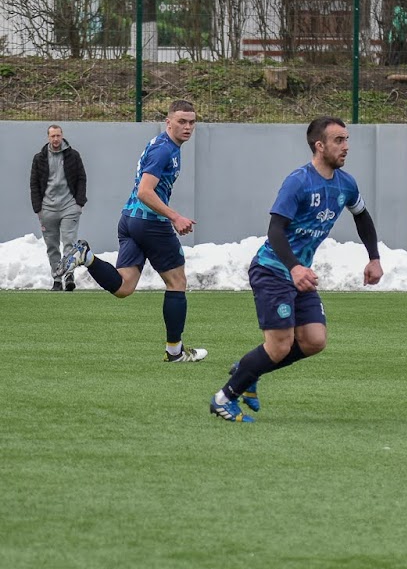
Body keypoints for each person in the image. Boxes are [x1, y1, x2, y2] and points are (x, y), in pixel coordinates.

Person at [209, 116, 383, 423]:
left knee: (315, 340)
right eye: (338, 141)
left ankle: (249, 370)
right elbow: (275, 230)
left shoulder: (346, 184)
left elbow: (362, 216)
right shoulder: (299, 181)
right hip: (274, 270)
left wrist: (374, 257)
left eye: (347, 139)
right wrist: (294, 268)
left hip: (298, 274)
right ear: (320, 146)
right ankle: (224, 398)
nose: (346, 147)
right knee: (279, 345)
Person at [55, 100, 208, 363]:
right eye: (182, 121)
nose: (188, 127)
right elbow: (145, 191)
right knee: (177, 283)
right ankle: (175, 352)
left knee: (124, 287)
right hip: (151, 223)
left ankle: (86, 257)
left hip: (130, 220)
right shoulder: (164, 151)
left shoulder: (163, 144)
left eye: (192, 122)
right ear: (168, 121)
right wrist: (174, 216)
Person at [30, 124, 87, 291]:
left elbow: (81, 178)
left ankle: (69, 275)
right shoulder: (39, 158)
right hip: (47, 208)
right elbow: (34, 184)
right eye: (52, 136)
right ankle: (56, 279)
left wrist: (79, 203)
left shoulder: (73, 155)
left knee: (69, 242)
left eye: (58, 136)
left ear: (62, 136)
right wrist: (38, 209)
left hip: (69, 206)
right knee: (52, 245)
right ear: (48, 137)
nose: (56, 139)